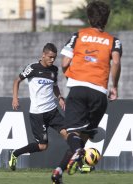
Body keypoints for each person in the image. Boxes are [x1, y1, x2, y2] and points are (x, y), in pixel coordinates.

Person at [51, 1, 122, 184]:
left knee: (73, 134)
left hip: (78, 89)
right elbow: (116, 62)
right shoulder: (114, 41)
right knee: (81, 138)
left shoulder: (78, 36)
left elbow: (65, 63)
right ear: (106, 19)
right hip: (99, 92)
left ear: (89, 18)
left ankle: (75, 154)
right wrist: (114, 86)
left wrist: (70, 77)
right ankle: (59, 171)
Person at [8, 43, 66, 171]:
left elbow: (54, 86)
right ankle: (15, 153)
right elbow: (17, 81)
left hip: (52, 110)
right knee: (42, 146)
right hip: (38, 114)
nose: (52, 60)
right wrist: (15, 98)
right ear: (43, 55)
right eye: (50, 57)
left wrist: (60, 97)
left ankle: (80, 163)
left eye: (54, 57)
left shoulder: (54, 70)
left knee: (69, 134)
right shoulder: (32, 68)